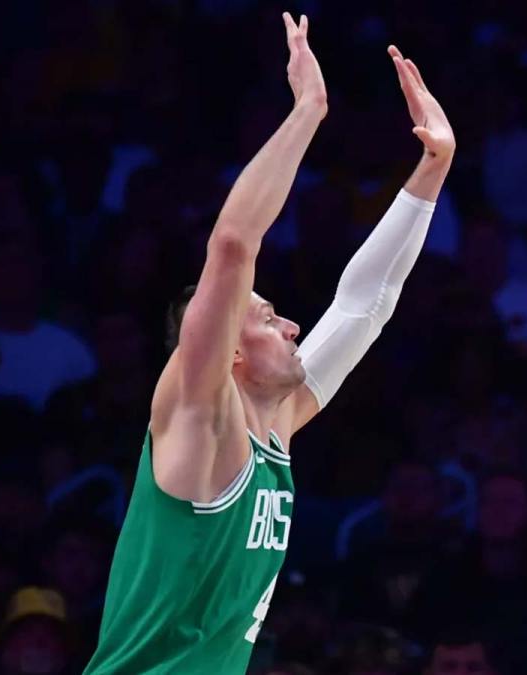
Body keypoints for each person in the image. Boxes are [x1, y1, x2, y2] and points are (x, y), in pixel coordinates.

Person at [84, 13, 455, 673]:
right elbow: (232, 243)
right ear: (226, 349)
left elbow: (363, 306)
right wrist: (308, 110)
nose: (292, 327)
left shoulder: (275, 425)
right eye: (267, 317)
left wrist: (433, 167)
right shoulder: (200, 416)